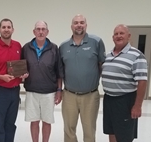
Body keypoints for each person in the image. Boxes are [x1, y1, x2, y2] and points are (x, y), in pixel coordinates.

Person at [59, 14, 106, 142]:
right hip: (69, 95)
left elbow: (102, 65)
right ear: (71, 26)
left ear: (86, 25)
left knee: (89, 130)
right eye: (76, 23)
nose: (79, 25)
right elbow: (60, 71)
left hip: (90, 95)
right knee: (69, 130)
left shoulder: (96, 42)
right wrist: (59, 91)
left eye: (81, 22)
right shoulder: (63, 46)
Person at [102, 24, 148, 142]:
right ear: (112, 37)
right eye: (116, 34)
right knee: (111, 131)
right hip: (109, 100)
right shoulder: (109, 55)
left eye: (121, 33)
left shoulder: (137, 55)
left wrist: (137, 106)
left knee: (125, 135)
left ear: (129, 36)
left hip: (125, 101)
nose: (119, 36)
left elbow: (142, 82)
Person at [21, 21, 63, 142]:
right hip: (31, 91)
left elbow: (59, 72)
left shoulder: (54, 48)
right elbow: (21, 67)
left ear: (47, 32)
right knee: (34, 121)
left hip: (49, 92)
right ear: (34, 32)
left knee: (47, 121)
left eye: (43, 29)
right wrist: (22, 75)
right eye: (38, 29)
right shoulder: (26, 48)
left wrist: (59, 90)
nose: (40, 31)